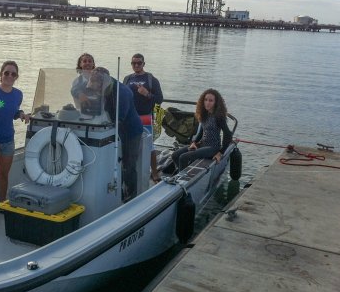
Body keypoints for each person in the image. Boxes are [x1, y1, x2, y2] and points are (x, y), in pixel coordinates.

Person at [0, 61, 30, 220]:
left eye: (13, 74)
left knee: (4, 175)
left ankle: (2, 204)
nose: (9, 76)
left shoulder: (18, 94)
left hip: (8, 140)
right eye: (6, 73)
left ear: (16, 77)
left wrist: (21, 114)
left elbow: (13, 112)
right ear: (1, 75)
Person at [87, 67, 143, 202]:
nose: (94, 88)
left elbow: (120, 119)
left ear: (104, 82)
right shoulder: (102, 88)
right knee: (115, 162)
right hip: (115, 128)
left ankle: (131, 195)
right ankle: (117, 191)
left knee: (128, 163)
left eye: (96, 85)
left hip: (131, 130)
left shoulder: (123, 92)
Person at [123, 53, 164, 182]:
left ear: (143, 64)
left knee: (149, 145)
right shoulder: (127, 79)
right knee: (127, 144)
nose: (136, 65)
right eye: (133, 63)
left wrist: (147, 94)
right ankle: (128, 170)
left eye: (139, 63)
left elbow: (159, 100)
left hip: (145, 117)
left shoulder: (151, 79)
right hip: (130, 118)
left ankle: (155, 172)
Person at [171, 88, 232, 172]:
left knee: (183, 157)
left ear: (216, 103)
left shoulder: (219, 117)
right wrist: (194, 142)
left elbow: (228, 134)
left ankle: (181, 178)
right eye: (206, 100)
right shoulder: (204, 114)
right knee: (175, 155)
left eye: (211, 100)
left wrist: (220, 152)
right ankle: (181, 172)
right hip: (202, 144)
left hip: (213, 147)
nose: (207, 102)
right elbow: (201, 132)